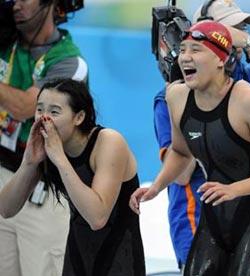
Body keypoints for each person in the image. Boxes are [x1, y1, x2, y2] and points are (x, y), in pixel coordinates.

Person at [153, 0, 250, 268]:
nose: (237, 35)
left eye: (242, 28)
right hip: (196, 213)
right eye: (231, 27)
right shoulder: (172, 97)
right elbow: (180, 170)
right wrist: (200, 109)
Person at [0, 79, 146, 276]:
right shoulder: (48, 148)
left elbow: (97, 218)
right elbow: (6, 209)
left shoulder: (108, 142)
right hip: (77, 257)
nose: (44, 119)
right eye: (40, 109)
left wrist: (60, 159)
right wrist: (29, 162)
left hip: (120, 257)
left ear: (79, 117)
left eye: (54, 112)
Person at [0, 1, 88, 275]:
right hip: (4, 177)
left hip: (43, 190)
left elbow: (26, 107)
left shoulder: (70, 61)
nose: (16, 3)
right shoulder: (7, 42)